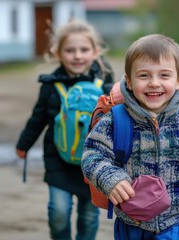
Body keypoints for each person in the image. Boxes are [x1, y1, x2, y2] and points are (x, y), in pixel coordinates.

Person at [81, 34, 179, 240]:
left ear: (178, 80)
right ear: (129, 81)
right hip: (130, 219)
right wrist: (110, 179)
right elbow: (92, 155)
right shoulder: (116, 119)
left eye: (164, 75)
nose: (154, 83)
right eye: (144, 76)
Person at [16, 19, 114, 240]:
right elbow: (37, 118)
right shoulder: (50, 86)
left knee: (88, 217)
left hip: (94, 163)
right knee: (58, 213)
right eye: (70, 50)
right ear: (57, 53)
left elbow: (118, 122)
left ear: (95, 51)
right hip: (57, 160)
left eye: (84, 50)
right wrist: (24, 144)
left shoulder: (106, 85)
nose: (77, 56)